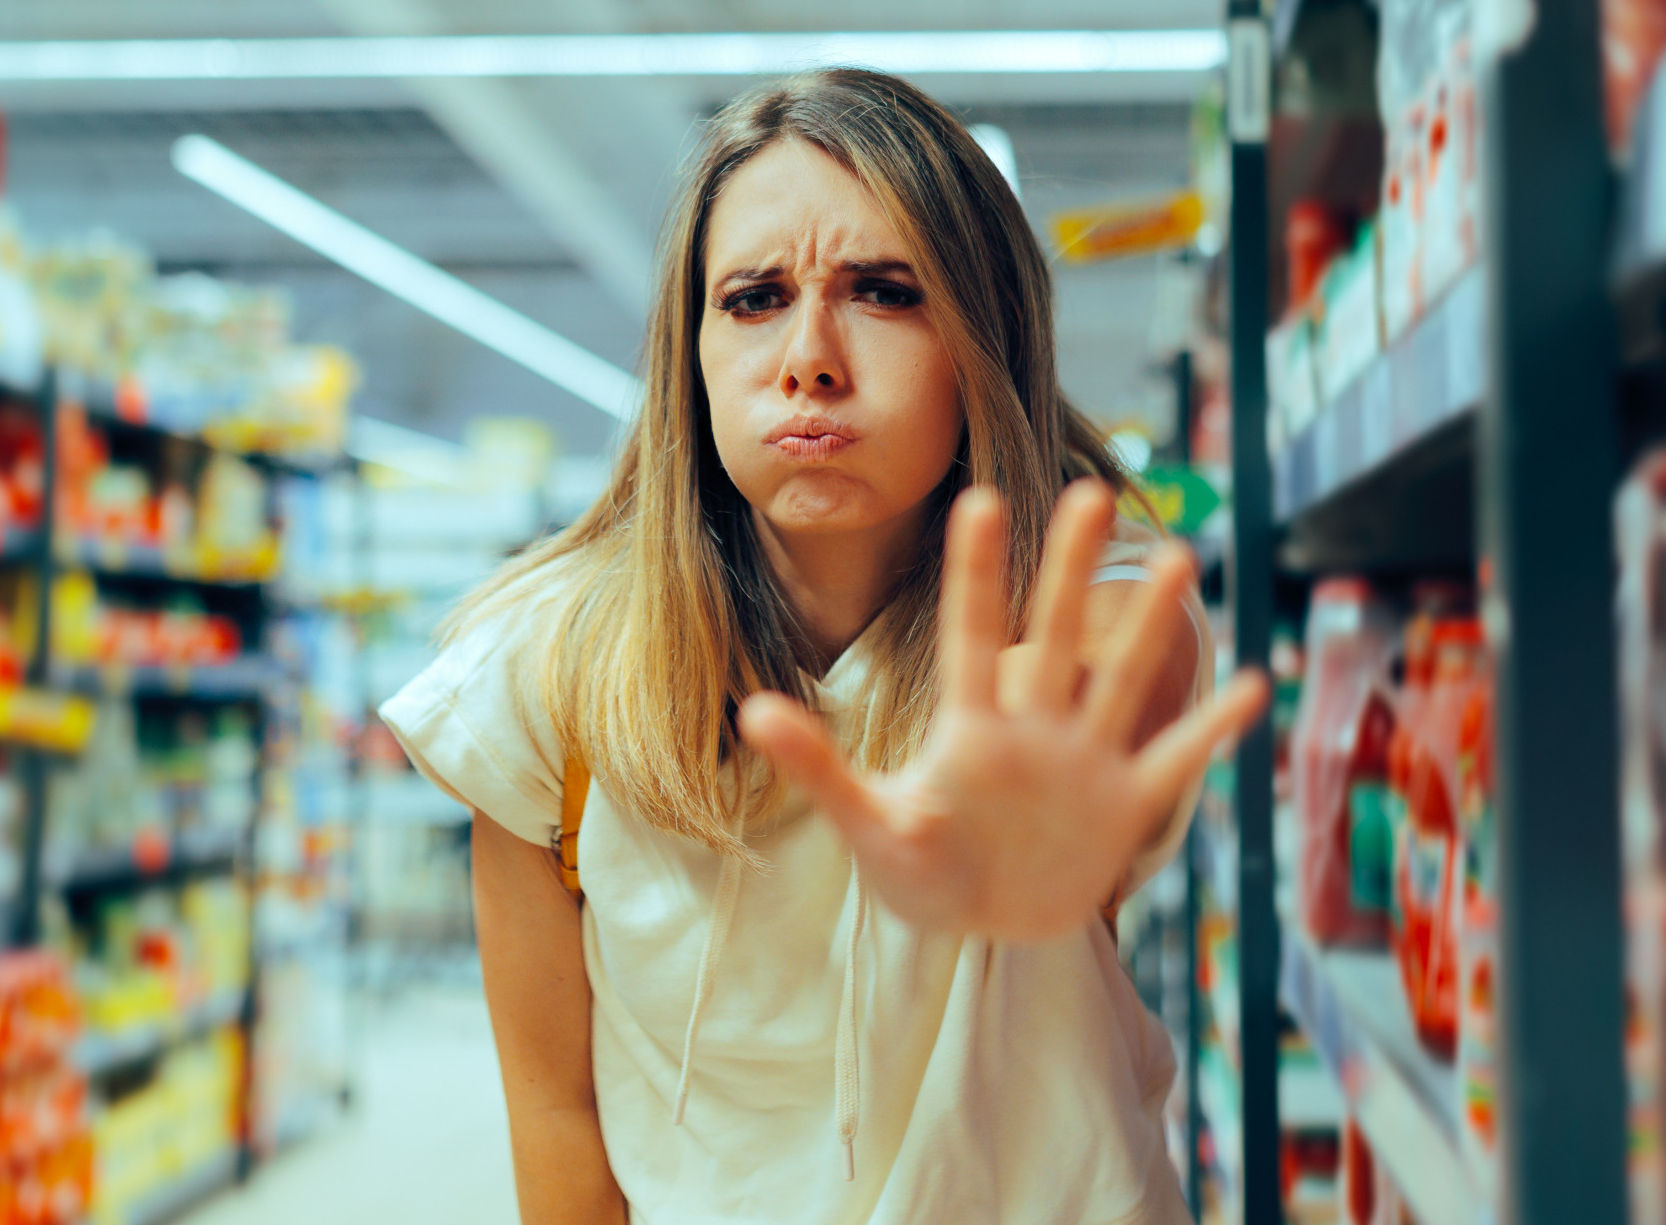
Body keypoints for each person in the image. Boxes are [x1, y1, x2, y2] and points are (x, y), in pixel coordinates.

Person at [381, 69, 1268, 1224]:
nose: (809, 356)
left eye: (885, 291)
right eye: (752, 297)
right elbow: (557, 1112)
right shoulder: (551, 667)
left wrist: (1025, 806)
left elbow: (1109, 675)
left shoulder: (1081, 583)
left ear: (980, 338)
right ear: (688, 354)